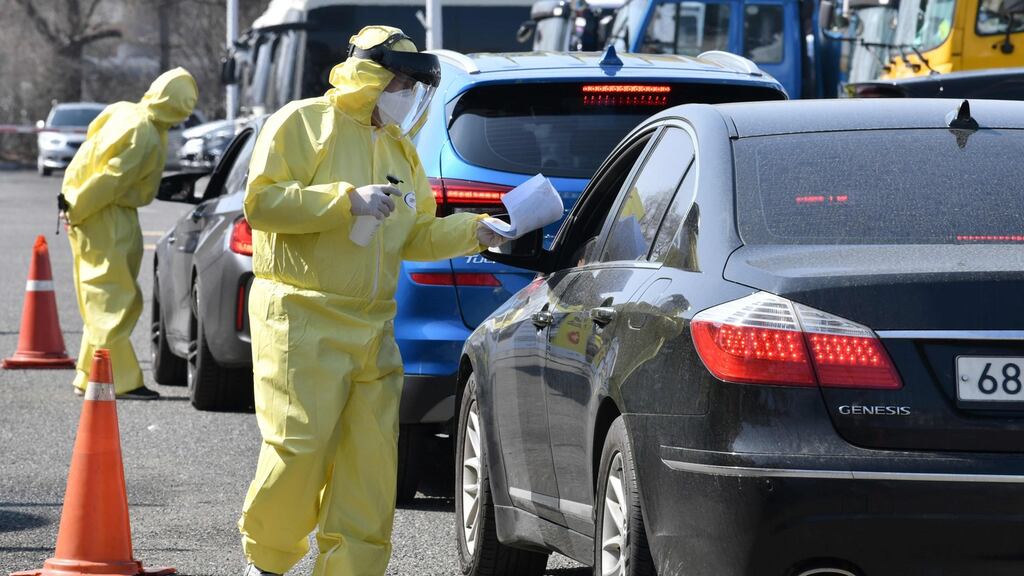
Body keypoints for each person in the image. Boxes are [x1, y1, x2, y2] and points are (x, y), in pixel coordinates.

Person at [237, 26, 505, 576]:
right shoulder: (302, 123)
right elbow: (262, 204)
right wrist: (344, 202)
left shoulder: (400, 150)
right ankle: (266, 563)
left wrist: (476, 232)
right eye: (400, 82)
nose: (407, 95)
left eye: (413, 85)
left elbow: (415, 235)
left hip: (374, 326)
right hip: (301, 315)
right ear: (371, 77)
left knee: (370, 468)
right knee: (298, 451)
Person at [61, 67, 198, 400]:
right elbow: (111, 178)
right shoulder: (146, 133)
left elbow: (93, 148)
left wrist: (71, 206)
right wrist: (78, 208)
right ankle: (117, 380)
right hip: (106, 214)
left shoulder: (124, 110)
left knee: (98, 296)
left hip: (91, 210)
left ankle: (89, 373)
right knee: (114, 299)